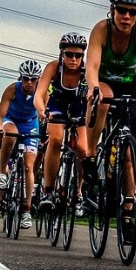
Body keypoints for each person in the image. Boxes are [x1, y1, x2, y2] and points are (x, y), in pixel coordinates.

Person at [84, 0, 136, 233]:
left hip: (129, 88)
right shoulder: (102, 30)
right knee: (104, 96)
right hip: (103, 83)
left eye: (133, 12)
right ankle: (90, 155)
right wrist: (92, 86)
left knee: (129, 156)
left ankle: (128, 211)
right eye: (122, 10)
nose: (127, 16)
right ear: (112, 9)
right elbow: (91, 65)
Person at [34, 31, 92, 217]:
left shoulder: (87, 70)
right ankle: (48, 191)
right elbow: (39, 94)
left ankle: (78, 193)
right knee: (56, 139)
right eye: (69, 54)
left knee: (83, 148)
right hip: (57, 105)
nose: (73, 59)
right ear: (62, 54)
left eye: (78, 55)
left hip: (79, 107)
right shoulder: (54, 67)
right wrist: (42, 110)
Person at [0, 60, 43, 229]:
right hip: (11, 120)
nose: (29, 82)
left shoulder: (42, 92)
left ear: (38, 79)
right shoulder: (12, 89)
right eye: (26, 78)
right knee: (9, 134)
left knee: (29, 167)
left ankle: (27, 209)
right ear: (21, 78)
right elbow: (0, 115)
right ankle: (2, 172)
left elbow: (45, 114)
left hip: (31, 124)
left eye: (33, 79)